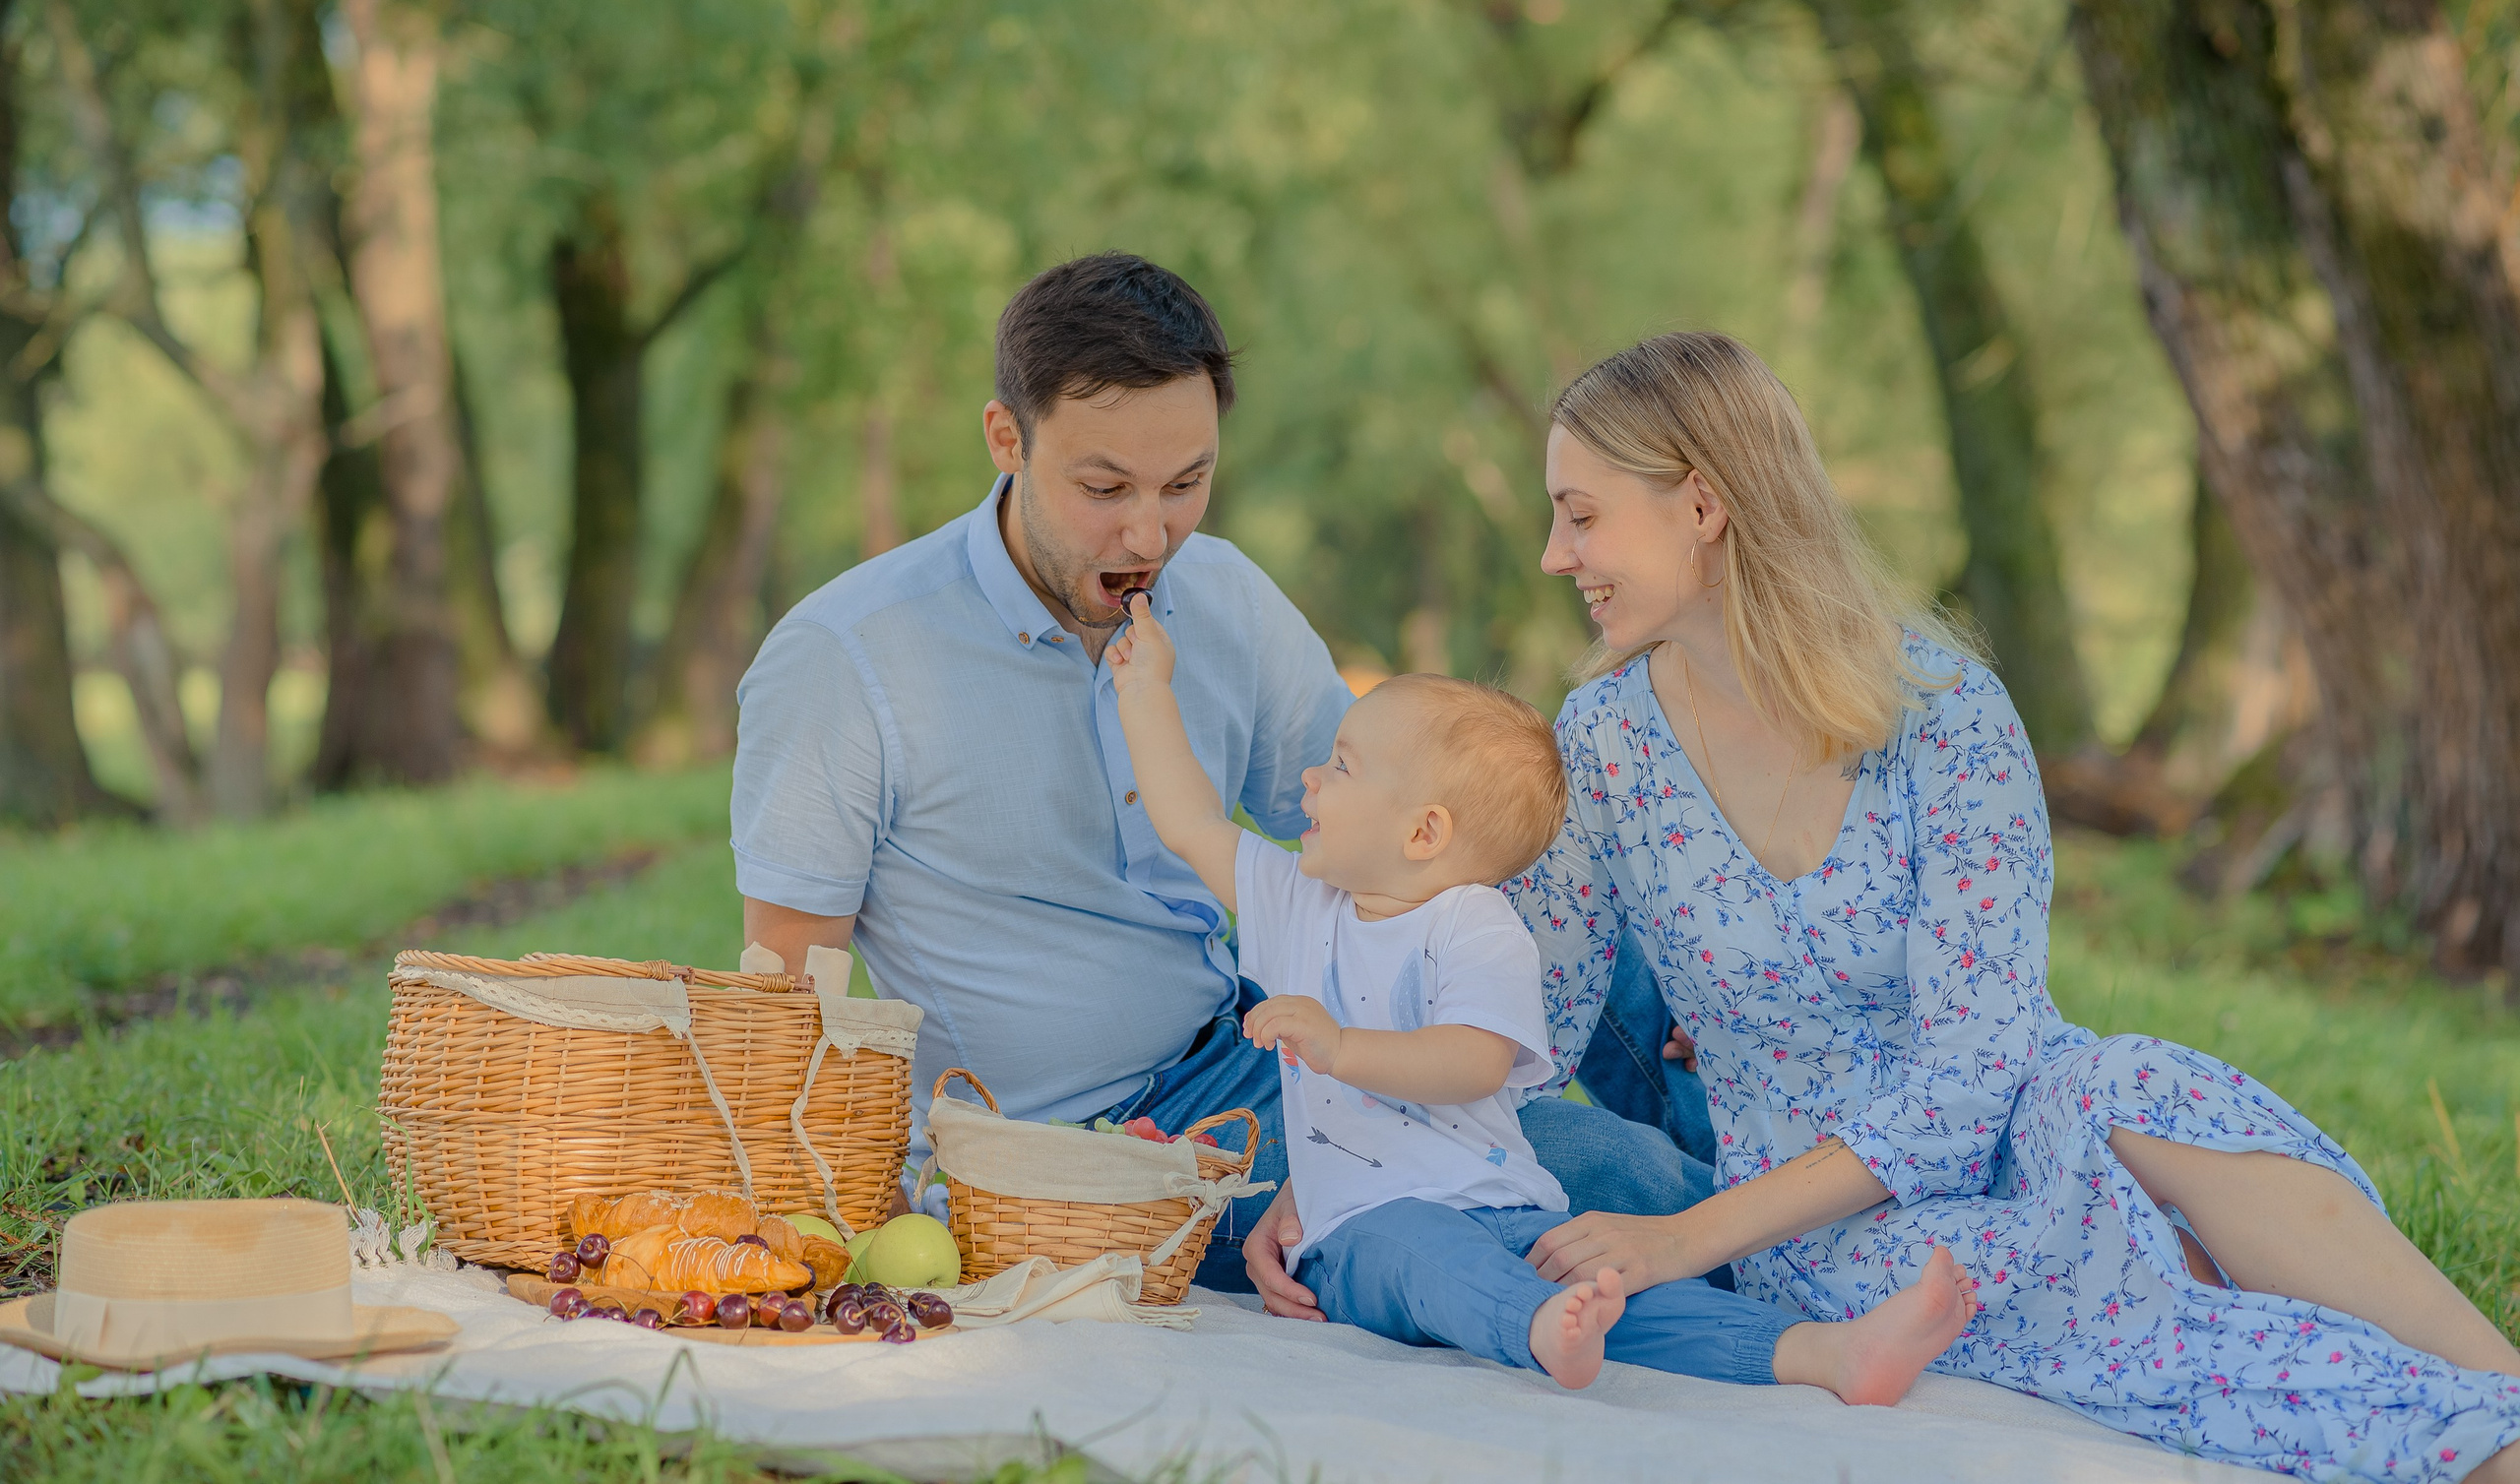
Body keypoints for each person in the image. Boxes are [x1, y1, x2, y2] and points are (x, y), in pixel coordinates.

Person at [1496, 331, 2520, 1482]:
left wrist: (1675, 1239)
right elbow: (1522, 1025)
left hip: (2014, 1110)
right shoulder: (1604, 741)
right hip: (1827, 1217)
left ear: (1701, 505)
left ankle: (2501, 1388)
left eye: (1580, 515)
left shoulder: (1944, 712)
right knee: (2095, 1278)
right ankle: (2470, 1447)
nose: (1553, 554)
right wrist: (1344, 1164)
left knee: (2139, 1077)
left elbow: (1974, 1075)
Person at [729, 252, 1713, 1290]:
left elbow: (1422, 814)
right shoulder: (846, 654)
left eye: (1186, 483)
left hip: (1256, 1053)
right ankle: (1811, 1259)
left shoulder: (1221, 594)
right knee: (1611, 1177)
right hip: (1088, 1150)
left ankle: (1779, 1142)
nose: (1150, 534)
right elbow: (791, 993)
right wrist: (821, 1219)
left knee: (1591, 971)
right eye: (1103, 487)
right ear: (1005, 439)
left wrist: (1660, 963)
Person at [1106, 596, 1980, 1394]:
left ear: (1423, 832)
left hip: (1508, 1205)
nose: (1309, 780)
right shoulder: (1298, 900)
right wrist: (1148, 686)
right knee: (1421, 1251)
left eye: (1342, 765)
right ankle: (1531, 1327)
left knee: (1615, 1289)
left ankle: (1824, 1353)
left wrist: (1341, 1047)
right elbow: (1187, 820)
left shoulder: (1476, 926)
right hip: (1354, 1234)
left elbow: (1476, 1059)